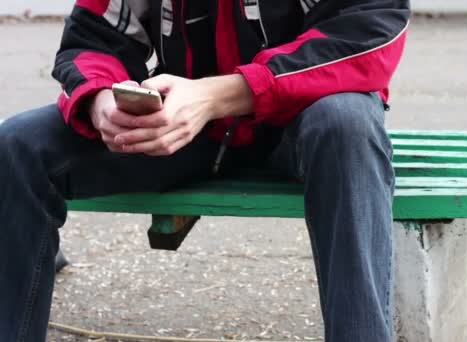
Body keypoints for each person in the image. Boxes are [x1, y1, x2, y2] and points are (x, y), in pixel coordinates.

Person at [0, 0, 410, 341]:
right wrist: (101, 98)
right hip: (185, 121)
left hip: (305, 117)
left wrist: (223, 94)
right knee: (19, 146)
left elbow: (368, 32)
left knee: (348, 124)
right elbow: (93, 37)